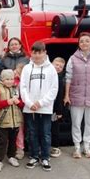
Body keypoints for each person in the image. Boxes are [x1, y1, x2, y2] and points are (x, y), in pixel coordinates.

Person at [63, 32, 90, 159]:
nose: (84, 43)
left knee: (89, 123)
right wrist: (67, 95)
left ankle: (87, 147)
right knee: (76, 123)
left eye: (87, 41)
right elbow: (68, 78)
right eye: (82, 41)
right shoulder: (73, 58)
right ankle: (77, 147)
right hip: (76, 95)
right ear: (78, 43)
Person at [20, 41, 58, 172]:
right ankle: (34, 156)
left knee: (46, 133)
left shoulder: (51, 69)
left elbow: (54, 89)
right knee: (32, 133)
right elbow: (23, 88)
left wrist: (40, 103)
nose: (37, 55)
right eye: (34, 52)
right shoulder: (26, 68)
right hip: (29, 108)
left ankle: (46, 157)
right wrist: (30, 103)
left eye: (40, 52)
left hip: (45, 108)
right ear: (31, 53)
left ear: (45, 53)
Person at [0, 69, 24, 172]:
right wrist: (7, 102)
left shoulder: (16, 88)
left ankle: (11, 157)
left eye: (11, 79)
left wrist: (18, 102)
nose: (10, 81)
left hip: (15, 120)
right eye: (7, 79)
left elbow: (22, 104)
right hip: (4, 120)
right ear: (2, 79)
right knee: (3, 141)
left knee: (13, 140)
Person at [50, 57, 66, 158]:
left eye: (61, 66)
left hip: (55, 109)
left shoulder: (60, 79)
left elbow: (60, 96)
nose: (58, 67)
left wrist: (59, 111)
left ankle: (55, 147)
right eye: (56, 65)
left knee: (54, 128)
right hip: (45, 106)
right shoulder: (48, 76)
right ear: (51, 64)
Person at [13, 63, 26, 160]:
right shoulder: (12, 81)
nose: (15, 74)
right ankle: (11, 148)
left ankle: (20, 148)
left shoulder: (23, 83)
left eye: (17, 72)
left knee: (20, 130)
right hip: (11, 108)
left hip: (20, 108)